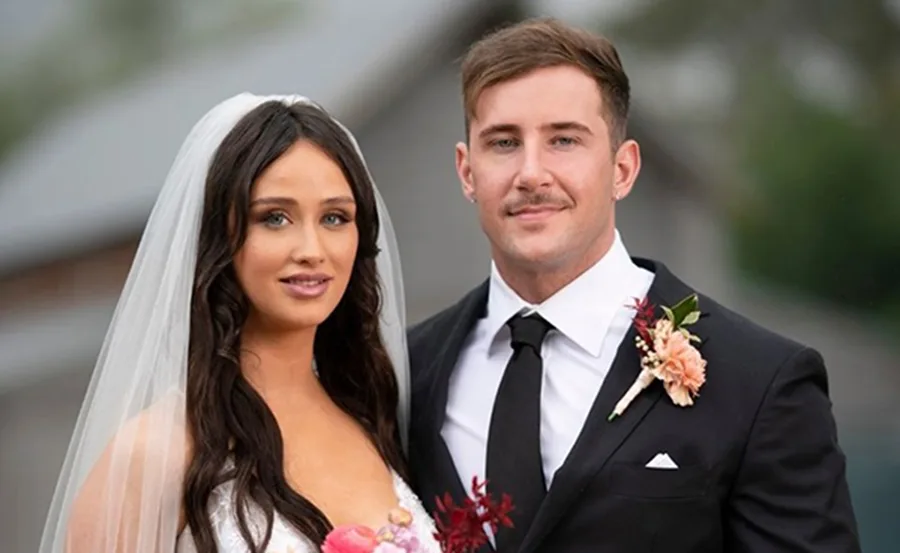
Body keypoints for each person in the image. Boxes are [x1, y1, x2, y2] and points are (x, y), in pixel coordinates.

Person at [407, 17, 861, 553]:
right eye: (503, 142)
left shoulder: (762, 382)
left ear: (623, 169)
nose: (530, 173)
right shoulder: (406, 374)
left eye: (564, 140)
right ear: (467, 171)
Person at [38, 93, 440, 553]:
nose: (311, 249)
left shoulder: (373, 418)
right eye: (274, 218)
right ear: (220, 235)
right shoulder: (155, 451)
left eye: (334, 217)